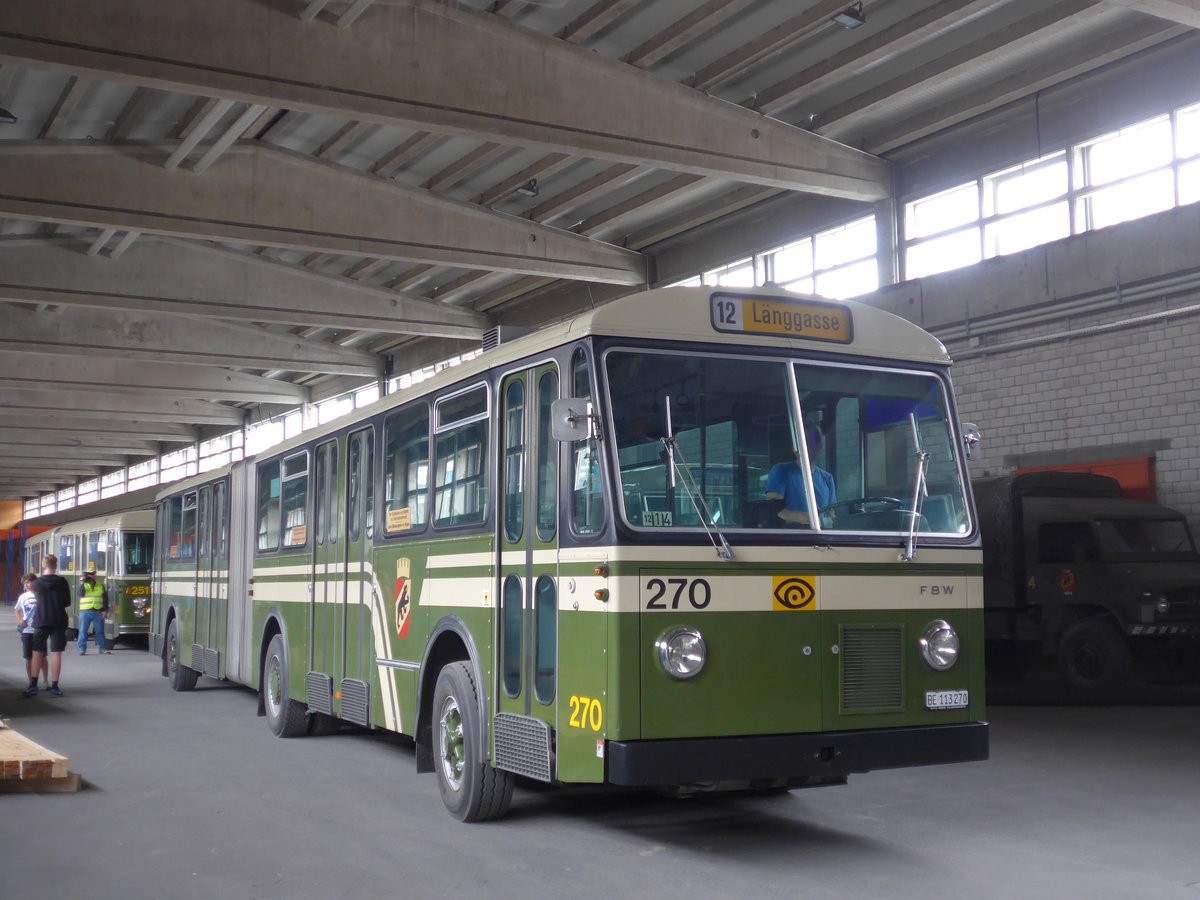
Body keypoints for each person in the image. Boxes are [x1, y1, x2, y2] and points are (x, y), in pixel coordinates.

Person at [765, 429, 836, 526]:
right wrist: (810, 520)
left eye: (810, 442)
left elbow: (831, 514)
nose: (805, 446)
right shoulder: (780, 471)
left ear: (819, 446)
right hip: (793, 537)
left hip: (820, 537)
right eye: (801, 442)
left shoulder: (827, 478)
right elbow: (775, 509)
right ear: (793, 447)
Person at [27, 553, 71, 698]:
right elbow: (67, 602)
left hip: (41, 620)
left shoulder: (36, 584)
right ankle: (55, 686)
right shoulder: (63, 582)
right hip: (59, 620)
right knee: (56, 653)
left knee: (37, 652)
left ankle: (33, 685)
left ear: (43, 566)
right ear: (56, 566)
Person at [14, 572, 50, 693]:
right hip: (27, 630)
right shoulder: (23, 597)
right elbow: (17, 610)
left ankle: (45, 681)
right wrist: (19, 621)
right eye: (25, 583)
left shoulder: (42, 595)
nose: (26, 585)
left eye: (28, 582)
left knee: (43, 656)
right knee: (28, 657)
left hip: (39, 629)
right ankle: (31, 682)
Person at [77, 567, 111, 655]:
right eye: (90, 574)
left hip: (97, 611)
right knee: (83, 631)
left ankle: (103, 648)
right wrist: (84, 582)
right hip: (85, 611)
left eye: (93, 574)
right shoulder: (83, 585)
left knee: (100, 631)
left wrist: (105, 610)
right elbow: (80, 594)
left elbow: (105, 599)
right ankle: (81, 649)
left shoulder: (100, 585)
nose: (92, 575)